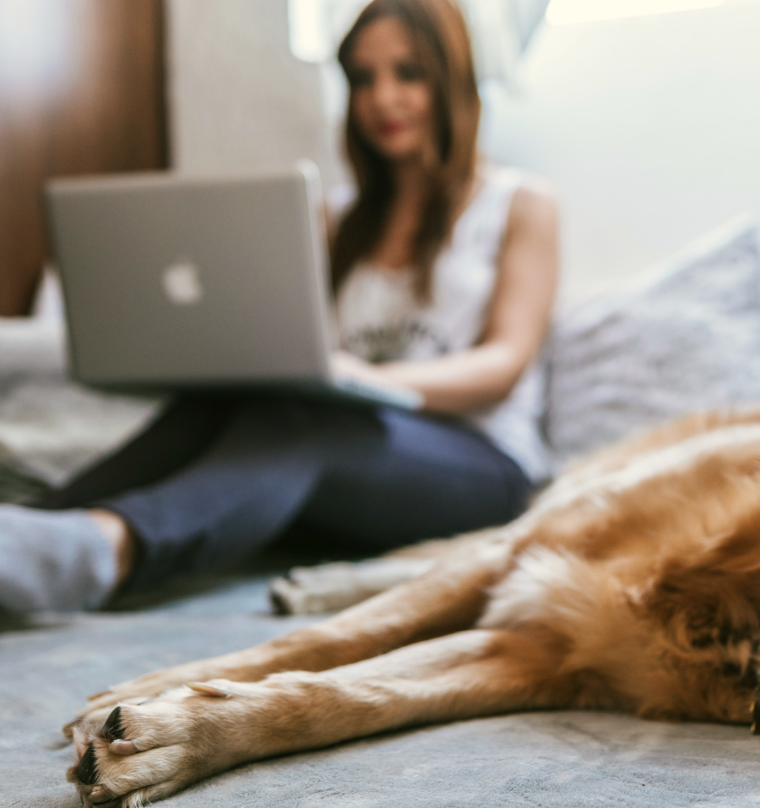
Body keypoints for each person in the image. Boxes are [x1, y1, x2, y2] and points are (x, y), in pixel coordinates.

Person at [0, 0, 558, 621]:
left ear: (450, 79)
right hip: (351, 446)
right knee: (244, 405)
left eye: (409, 73)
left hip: (478, 466)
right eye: (364, 78)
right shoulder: (334, 217)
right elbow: (296, 339)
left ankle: (106, 550)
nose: (383, 99)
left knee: (307, 422)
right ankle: (31, 529)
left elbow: (505, 362)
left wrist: (370, 380)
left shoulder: (519, 203)